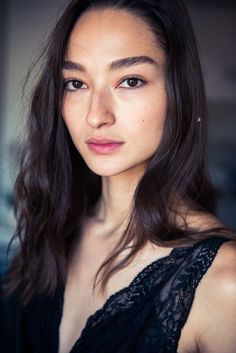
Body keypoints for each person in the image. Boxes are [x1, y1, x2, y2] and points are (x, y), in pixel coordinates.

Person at [1, 0, 236, 352]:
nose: (96, 116)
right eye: (76, 83)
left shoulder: (225, 283)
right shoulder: (52, 228)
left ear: (178, 92)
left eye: (130, 80)